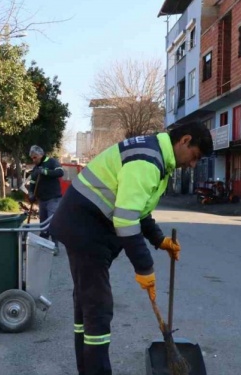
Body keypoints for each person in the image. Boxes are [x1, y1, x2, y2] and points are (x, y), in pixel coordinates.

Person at [50, 121, 213, 375]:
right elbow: (126, 219)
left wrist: (159, 240)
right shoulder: (148, 161)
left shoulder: (155, 156)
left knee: (87, 304)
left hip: (83, 225)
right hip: (85, 229)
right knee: (98, 309)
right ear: (184, 140)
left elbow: (139, 210)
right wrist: (144, 266)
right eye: (194, 156)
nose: (192, 164)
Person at [28, 145, 64, 249]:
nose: (33, 160)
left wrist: (45, 172)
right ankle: (43, 243)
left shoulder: (52, 162)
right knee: (43, 222)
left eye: (35, 157)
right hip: (42, 199)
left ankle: (54, 245)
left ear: (41, 155)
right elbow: (32, 182)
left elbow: (60, 172)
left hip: (54, 198)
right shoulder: (36, 168)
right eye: (32, 158)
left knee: (51, 221)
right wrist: (31, 194)